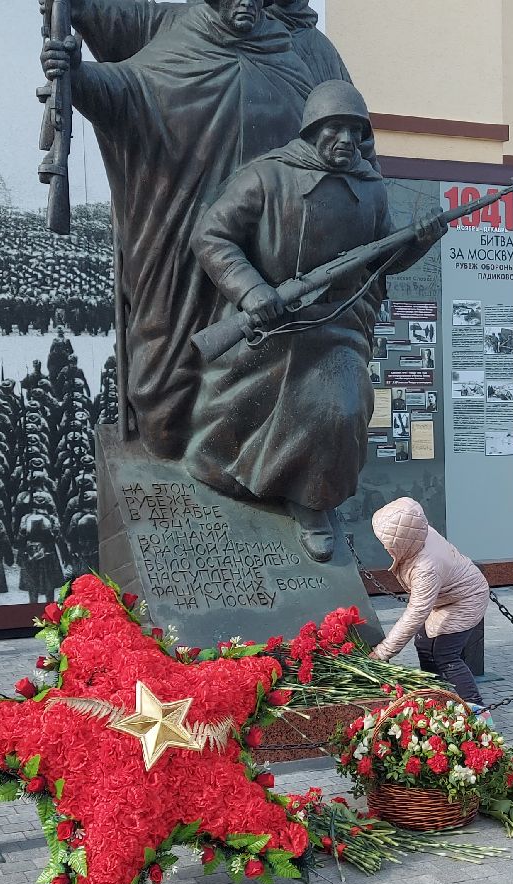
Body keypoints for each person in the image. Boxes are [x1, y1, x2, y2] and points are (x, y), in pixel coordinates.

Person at [42, 0, 350, 459]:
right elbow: (131, 90)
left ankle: (255, 466)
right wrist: (76, 74)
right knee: (167, 410)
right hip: (180, 235)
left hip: (266, 248)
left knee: (268, 377)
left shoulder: (291, 54)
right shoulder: (178, 32)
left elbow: (330, 141)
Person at [185, 81, 444, 558]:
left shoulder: (371, 189)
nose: (345, 140)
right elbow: (212, 236)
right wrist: (253, 290)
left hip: (337, 326)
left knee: (339, 410)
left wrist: (421, 240)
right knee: (229, 414)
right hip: (273, 324)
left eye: (354, 130)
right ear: (312, 130)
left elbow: (380, 263)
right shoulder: (265, 177)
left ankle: (313, 503)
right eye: (334, 128)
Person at [369, 497, 490, 705]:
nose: (385, 548)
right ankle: (437, 700)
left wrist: (382, 652)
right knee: (424, 645)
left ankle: (477, 710)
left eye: (389, 544)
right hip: (449, 597)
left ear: (402, 542)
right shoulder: (417, 533)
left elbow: (416, 612)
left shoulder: (426, 567)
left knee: (445, 655)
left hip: (467, 599)